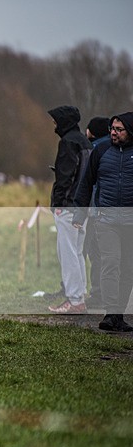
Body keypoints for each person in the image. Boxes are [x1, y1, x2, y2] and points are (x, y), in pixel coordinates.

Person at [73, 112, 133, 332]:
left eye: (119, 129)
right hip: (106, 220)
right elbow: (86, 183)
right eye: (112, 129)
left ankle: (118, 315)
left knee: (128, 268)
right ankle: (110, 313)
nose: (114, 133)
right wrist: (79, 214)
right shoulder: (101, 150)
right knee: (111, 263)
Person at [46, 105, 92, 314]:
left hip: (68, 207)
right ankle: (79, 296)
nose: (53, 125)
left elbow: (65, 177)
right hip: (83, 206)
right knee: (78, 252)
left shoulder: (67, 143)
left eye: (56, 121)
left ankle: (74, 300)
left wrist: (57, 204)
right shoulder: (84, 141)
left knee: (68, 253)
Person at [83, 116, 110, 307]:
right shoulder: (115, 149)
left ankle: (98, 294)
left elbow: (88, 183)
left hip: (96, 211)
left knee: (95, 253)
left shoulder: (95, 151)